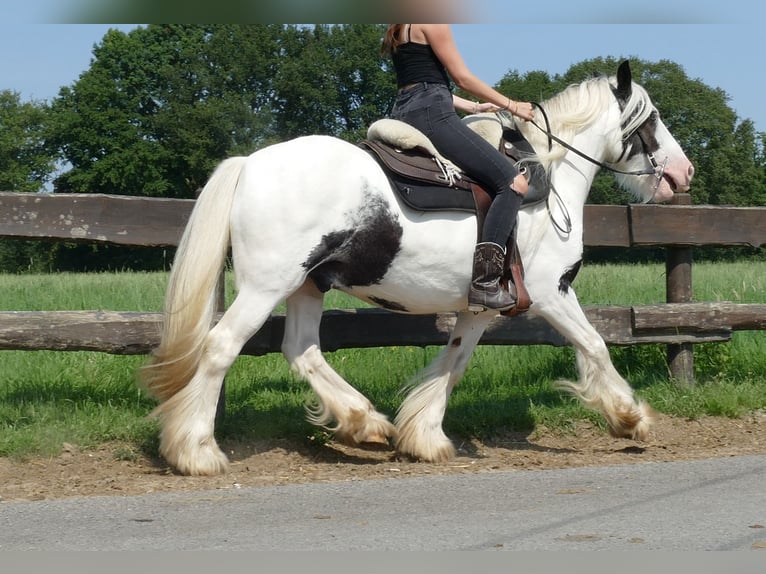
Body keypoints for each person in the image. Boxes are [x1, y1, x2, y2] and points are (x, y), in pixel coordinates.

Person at [381, 24, 535, 312]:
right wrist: (513, 106)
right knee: (513, 182)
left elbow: (420, 84)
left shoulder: (400, 26)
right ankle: (486, 283)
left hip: (405, 112)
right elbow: (461, 77)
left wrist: (474, 108)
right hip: (432, 115)